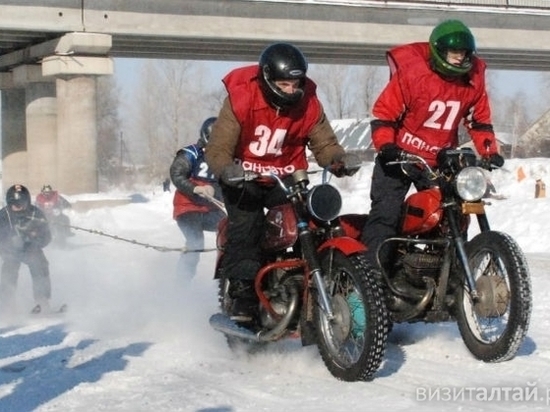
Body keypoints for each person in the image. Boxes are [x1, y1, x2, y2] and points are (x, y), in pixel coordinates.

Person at [205, 42, 361, 321]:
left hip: (286, 177)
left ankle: (326, 280)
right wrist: (226, 169)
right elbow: (217, 149)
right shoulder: (241, 98)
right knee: (247, 224)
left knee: (315, 220)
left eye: (295, 84)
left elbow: (325, 144)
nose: (291, 90)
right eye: (284, 84)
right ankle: (243, 294)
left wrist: (339, 159)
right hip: (245, 177)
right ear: (266, 78)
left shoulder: (309, 104)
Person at [361, 19, 505, 269]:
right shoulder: (413, 73)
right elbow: (384, 115)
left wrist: (489, 151)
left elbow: (479, 120)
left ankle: (447, 280)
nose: (459, 59)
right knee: (386, 215)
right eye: (453, 53)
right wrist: (386, 147)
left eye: (463, 53)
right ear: (439, 51)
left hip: (440, 160)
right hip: (400, 156)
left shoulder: (473, 80)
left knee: (452, 217)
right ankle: (369, 284)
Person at [170, 116, 226, 281]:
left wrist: (215, 190)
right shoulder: (191, 153)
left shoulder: (226, 158)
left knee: (234, 231)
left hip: (211, 210)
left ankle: (229, 281)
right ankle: (182, 283)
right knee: (196, 243)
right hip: (188, 208)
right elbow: (177, 174)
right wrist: (195, 188)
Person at [0, 184, 52, 314]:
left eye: (21, 203)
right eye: (14, 204)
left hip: (31, 249)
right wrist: (9, 243)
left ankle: (42, 301)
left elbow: (46, 236)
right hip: (11, 251)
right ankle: (7, 304)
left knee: (40, 264)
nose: (18, 206)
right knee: (8, 271)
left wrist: (33, 240)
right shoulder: (3, 215)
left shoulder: (36, 213)